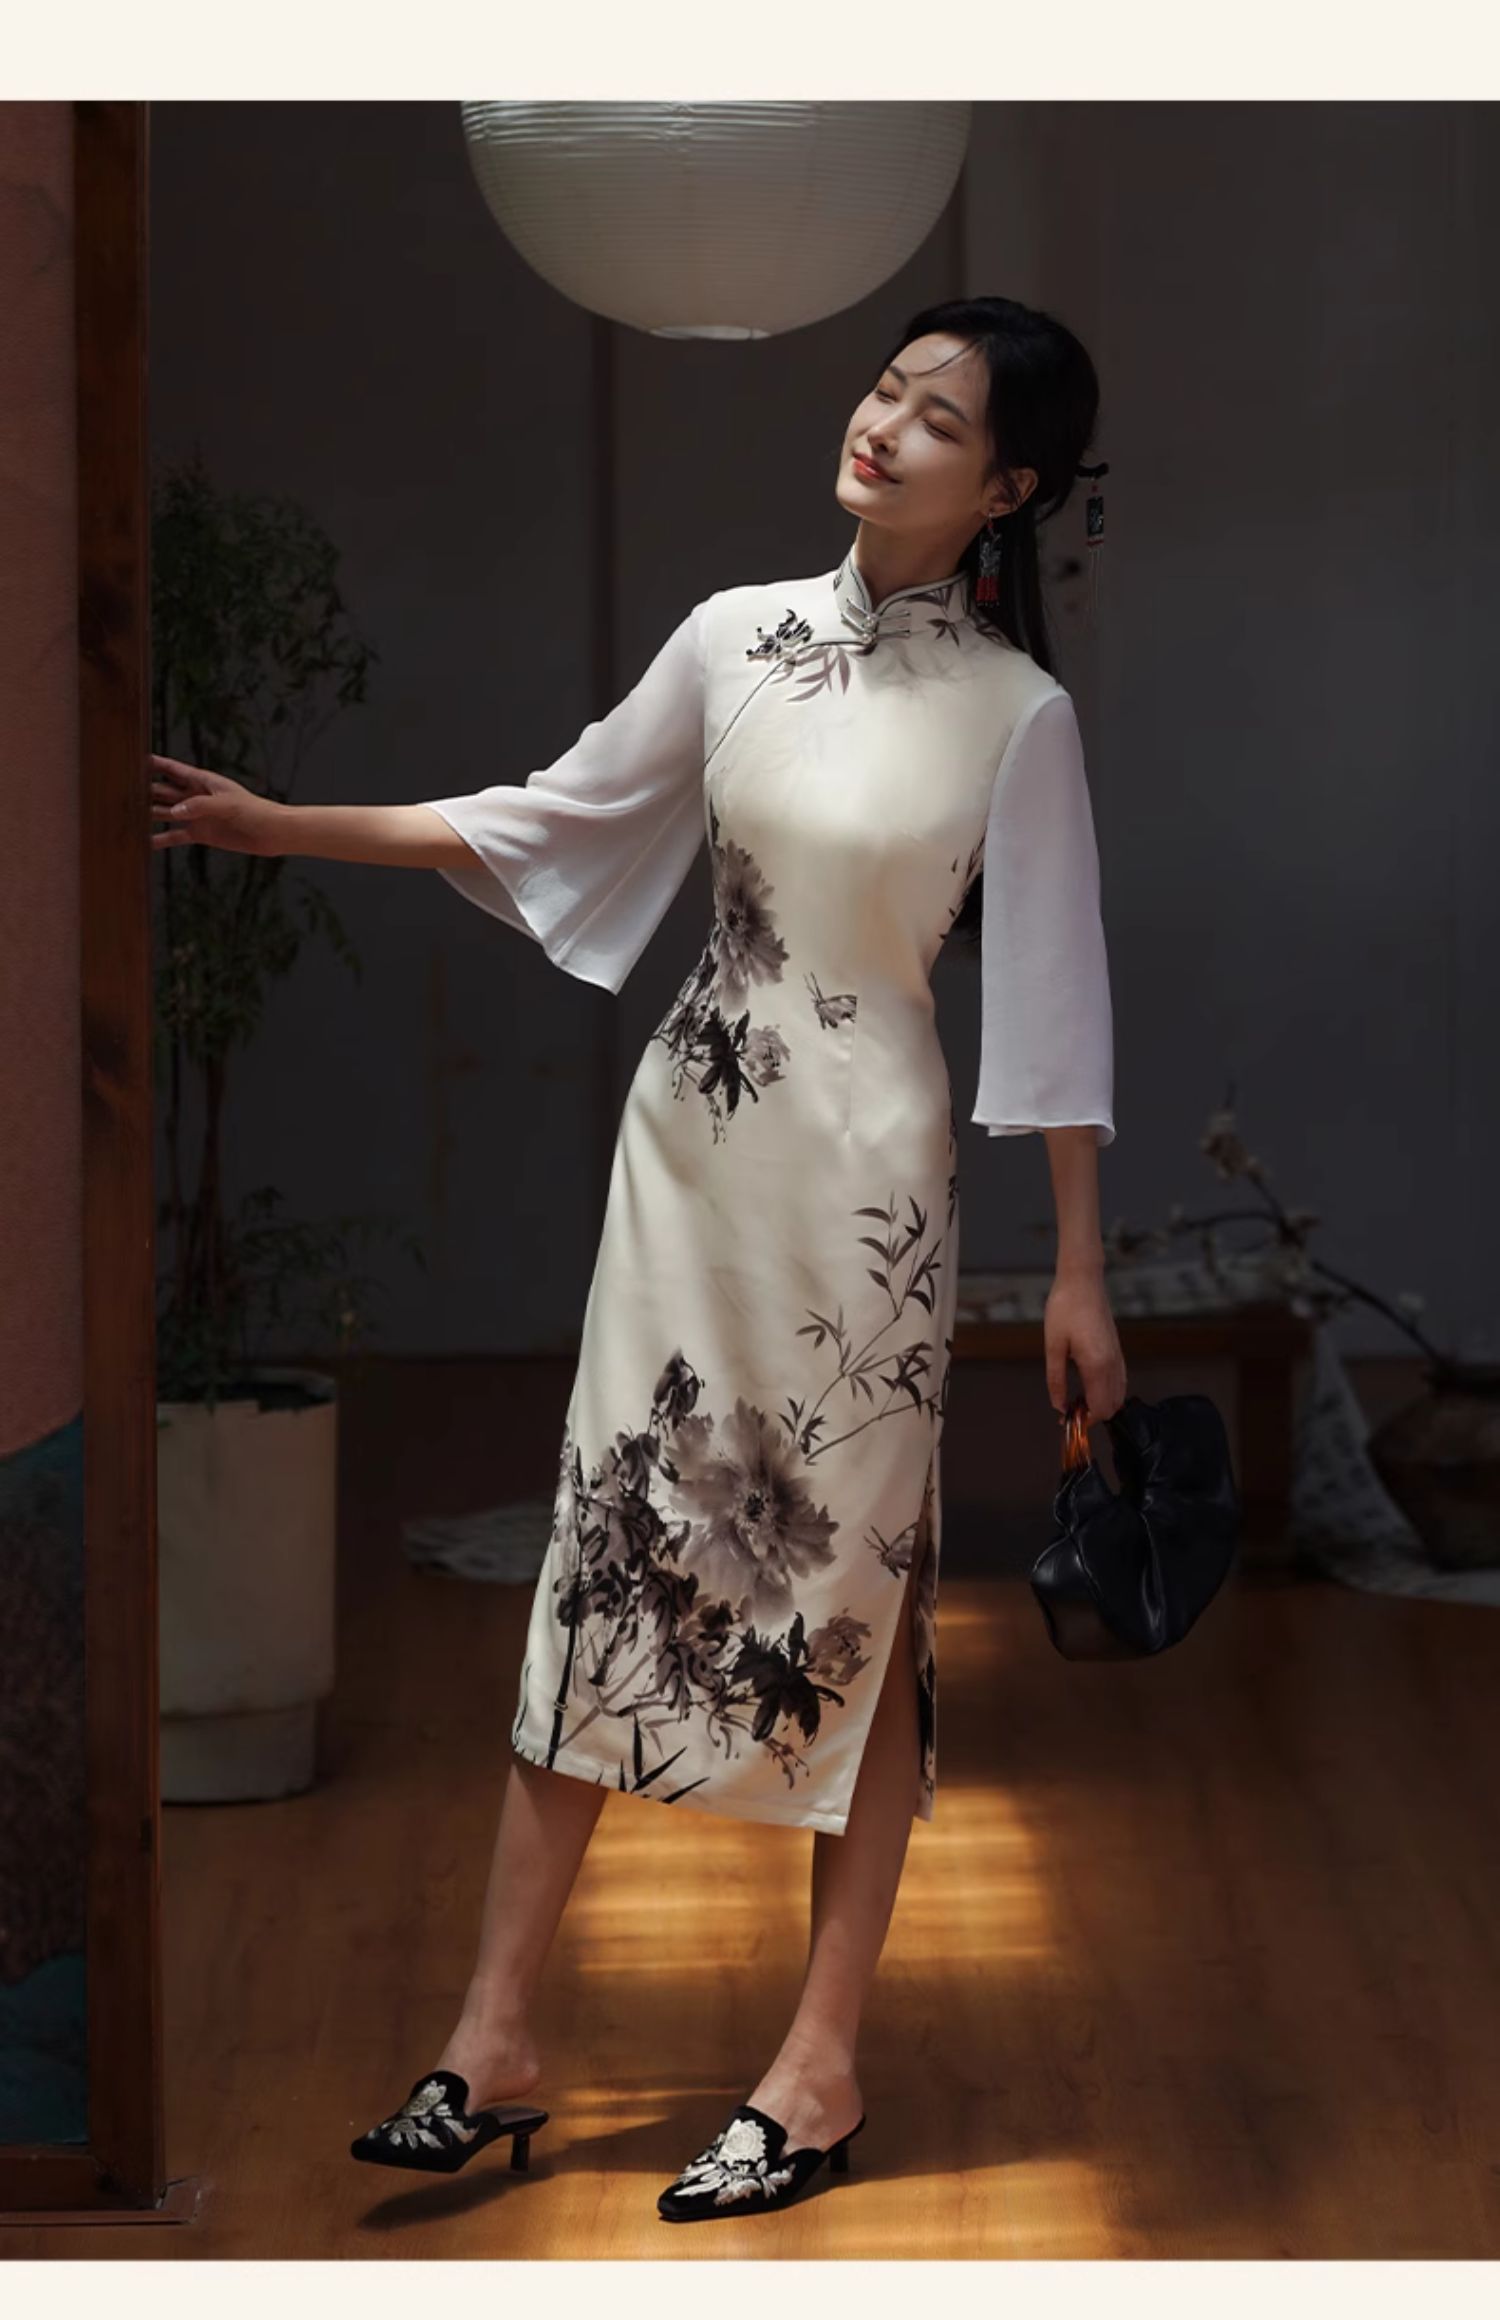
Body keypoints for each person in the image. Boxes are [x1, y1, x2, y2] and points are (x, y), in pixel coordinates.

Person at [149, 293, 1127, 2221]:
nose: (882, 425)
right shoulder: (731, 635)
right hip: (689, 1159)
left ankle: (820, 2069)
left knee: (856, 1612)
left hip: (864, 1200)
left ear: (1008, 489)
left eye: (938, 420)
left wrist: (1082, 1268)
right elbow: (551, 818)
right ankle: (492, 2040)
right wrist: (280, 830)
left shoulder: (1021, 715)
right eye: (884, 387)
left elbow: (1057, 1008)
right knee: (602, 1560)